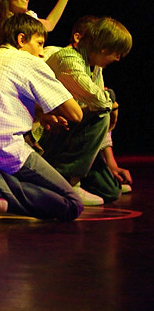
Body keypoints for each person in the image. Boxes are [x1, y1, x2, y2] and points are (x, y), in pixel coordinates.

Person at [0, 13, 84, 225]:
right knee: (72, 204)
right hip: (2, 148)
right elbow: (76, 114)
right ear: (21, 39)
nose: (41, 52)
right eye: (39, 43)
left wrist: (40, 113)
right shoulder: (27, 61)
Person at [41, 17, 133, 205]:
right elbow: (99, 101)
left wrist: (111, 164)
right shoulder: (68, 59)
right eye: (117, 53)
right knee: (100, 114)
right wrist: (113, 100)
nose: (118, 59)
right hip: (47, 133)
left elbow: (102, 104)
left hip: (67, 134)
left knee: (110, 191)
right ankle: (67, 184)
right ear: (104, 48)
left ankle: (76, 178)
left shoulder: (95, 67)